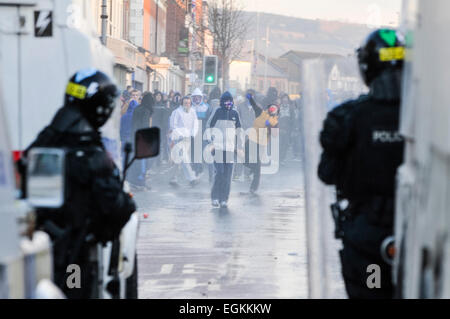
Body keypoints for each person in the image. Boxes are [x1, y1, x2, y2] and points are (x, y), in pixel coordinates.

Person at [25, 69, 136, 298]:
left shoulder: (47, 140)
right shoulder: (87, 153)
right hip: (73, 257)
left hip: (34, 255)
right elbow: (116, 207)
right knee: (75, 292)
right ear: (98, 107)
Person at [317, 29, 405, 299]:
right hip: (421, 238)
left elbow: (327, 173)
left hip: (369, 243)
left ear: (366, 66)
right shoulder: (430, 117)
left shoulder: (348, 118)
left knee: (373, 291)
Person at [207, 92, 242, 208]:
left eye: (230, 101)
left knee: (227, 176)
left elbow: (239, 130)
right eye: (226, 101)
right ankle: (215, 197)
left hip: (230, 149)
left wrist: (239, 146)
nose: (228, 103)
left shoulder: (235, 113)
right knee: (220, 173)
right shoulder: (217, 111)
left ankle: (224, 199)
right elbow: (208, 126)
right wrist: (210, 142)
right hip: (218, 148)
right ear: (222, 101)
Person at [244, 94, 279, 194]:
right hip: (251, 140)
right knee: (244, 159)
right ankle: (253, 170)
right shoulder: (261, 113)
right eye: (271, 108)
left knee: (257, 166)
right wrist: (250, 98)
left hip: (260, 144)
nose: (272, 110)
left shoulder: (274, 121)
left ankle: (253, 188)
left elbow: (275, 135)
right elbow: (254, 105)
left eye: (274, 109)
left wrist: (269, 127)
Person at [169, 96, 200, 187]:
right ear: (182, 103)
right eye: (185, 103)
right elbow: (173, 125)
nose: (187, 104)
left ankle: (173, 178)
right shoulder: (176, 112)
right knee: (184, 158)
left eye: (189, 103)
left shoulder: (193, 111)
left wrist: (193, 134)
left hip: (188, 138)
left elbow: (196, 124)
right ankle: (192, 178)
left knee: (179, 159)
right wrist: (180, 134)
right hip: (178, 138)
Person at [128, 92, 154, 190]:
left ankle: (134, 180)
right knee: (143, 161)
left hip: (134, 136)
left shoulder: (137, 108)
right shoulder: (146, 110)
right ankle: (140, 182)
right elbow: (144, 125)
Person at [234, 89, 257, 181]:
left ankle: (247, 175)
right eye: (248, 95)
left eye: (251, 95)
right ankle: (237, 174)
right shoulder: (240, 107)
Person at [191, 88, 212, 177]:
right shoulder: (190, 107)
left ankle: (210, 173)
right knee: (194, 152)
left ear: (201, 98)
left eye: (198, 97)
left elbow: (209, 121)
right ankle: (197, 170)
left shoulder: (207, 107)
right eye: (195, 97)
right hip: (192, 132)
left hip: (203, 131)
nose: (197, 99)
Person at [278, 93, 294, 165]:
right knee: (279, 144)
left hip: (287, 129)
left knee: (285, 144)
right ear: (281, 100)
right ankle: (278, 158)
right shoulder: (278, 107)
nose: (285, 100)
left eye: (286, 98)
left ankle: (282, 159)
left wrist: (293, 129)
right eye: (283, 98)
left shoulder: (291, 108)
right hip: (279, 128)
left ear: (288, 100)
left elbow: (293, 119)